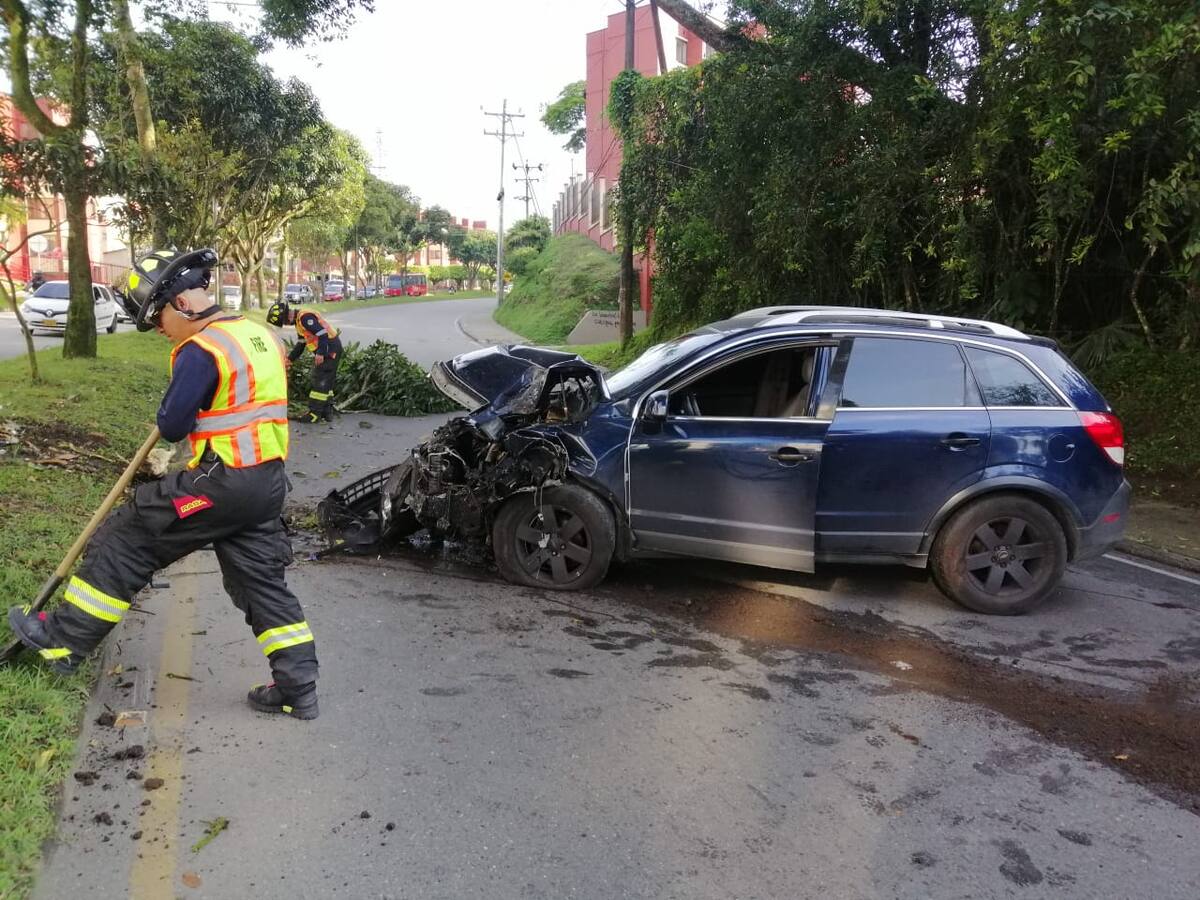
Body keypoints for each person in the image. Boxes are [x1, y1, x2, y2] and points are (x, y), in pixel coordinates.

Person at [7, 248, 320, 719]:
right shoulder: (259, 335)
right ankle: (299, 688)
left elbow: (174, 425)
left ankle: (63, 640)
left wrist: (176, 405)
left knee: (129, 535)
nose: (158, 330)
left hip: (222, 482)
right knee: (260, 583)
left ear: (180, 303)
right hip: (267, 484)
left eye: (157, 318)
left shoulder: (201, 350)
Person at [266, 300, 342, 424]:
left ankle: (314, 414)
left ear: (288, 315)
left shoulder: (304, 318)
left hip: (329, 350)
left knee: (320, 381)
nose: (286, 324)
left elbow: (322, 333)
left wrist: (321, 353)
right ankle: (327, 412)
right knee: (326, 381)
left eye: (285, 322)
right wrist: (289, 359)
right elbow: (301, 344)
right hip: (331, 349)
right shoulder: (299, 322)